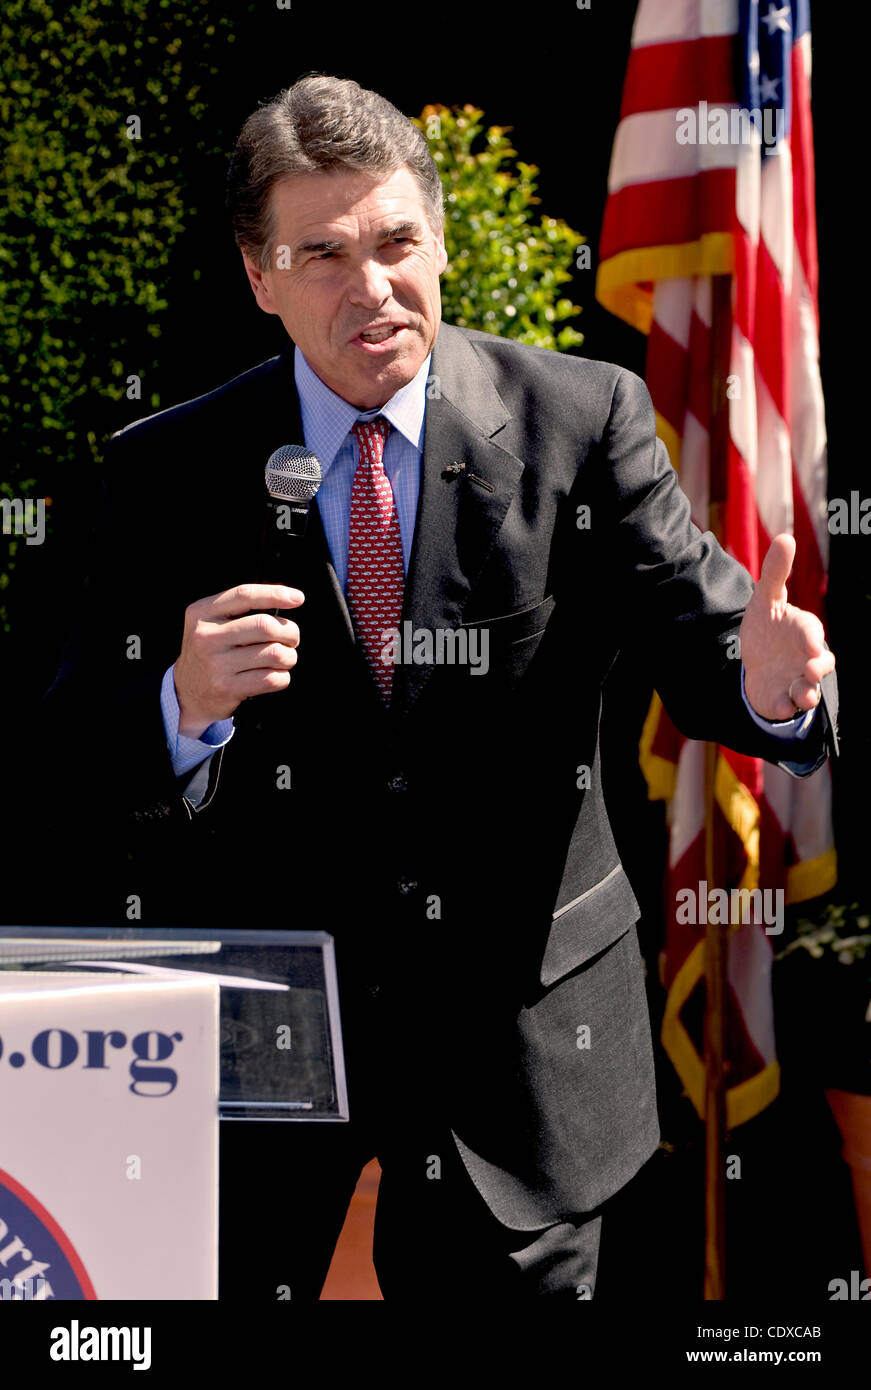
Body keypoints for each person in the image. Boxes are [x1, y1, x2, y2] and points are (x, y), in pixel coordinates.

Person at [44, 74, 838, 1301]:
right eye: (322, 254)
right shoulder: (165, 471)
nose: (371, 286)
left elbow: (707, 639)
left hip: (517, 1071)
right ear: (259, 276)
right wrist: (182, 705)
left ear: (443, 238)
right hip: (260, 1072)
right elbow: (69, 757)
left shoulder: (583, 420)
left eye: (397, 240)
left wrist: (769, 685)